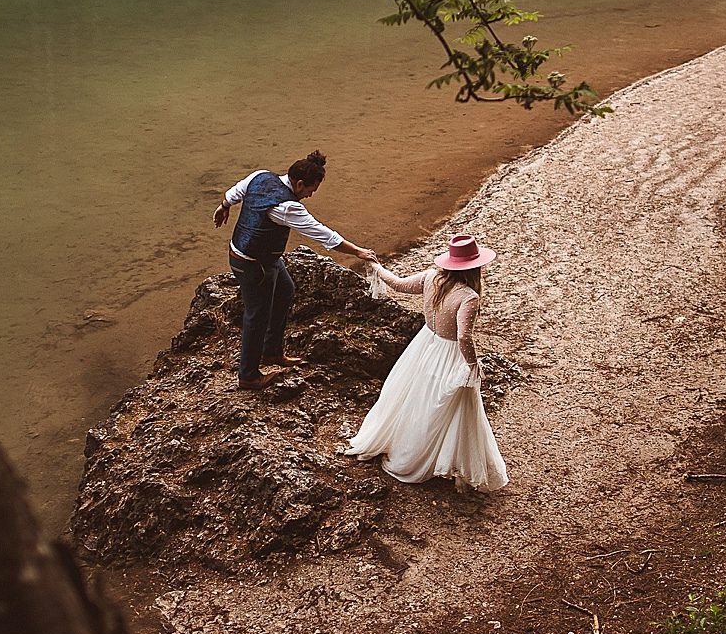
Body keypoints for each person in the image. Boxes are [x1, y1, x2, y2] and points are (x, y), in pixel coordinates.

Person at [347, 235, 508, 491]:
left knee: (416, 398)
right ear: (474, 267)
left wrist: (376, 267)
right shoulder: (468, 296)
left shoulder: (430, 277)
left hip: (424, 345)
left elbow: (397, 284)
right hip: (448, 353)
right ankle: (437, 459)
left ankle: (409, 447)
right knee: (449, 407)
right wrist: (473, 365)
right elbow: (463, 336)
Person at [214, 150, 378, 390]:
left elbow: (235, 192)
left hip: (258, 256)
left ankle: (272, 351)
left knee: (285, 291)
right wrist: (357, 252)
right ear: (300, 183)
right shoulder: (287, 207)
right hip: (252, 263)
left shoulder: (261, 176)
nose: (310, 195)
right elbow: (321, 233)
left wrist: (224, 206)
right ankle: (248, 375)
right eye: (311, 189)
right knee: (256, 316)